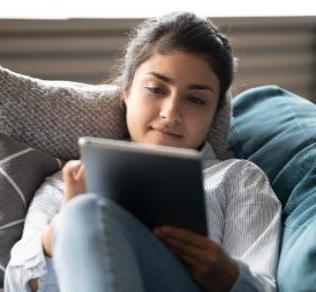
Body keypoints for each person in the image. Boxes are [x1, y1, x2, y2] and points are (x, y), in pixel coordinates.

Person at [4, 11, 281, 292]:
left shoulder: (237, 179)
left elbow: (265, 287)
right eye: (155, 89)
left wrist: (228, 275)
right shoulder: (68, 181)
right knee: (82, 211)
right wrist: (60, 233)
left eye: (196, 99)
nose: (171, 114)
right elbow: (14, 282)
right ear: (126, 92)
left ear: (215, 112)